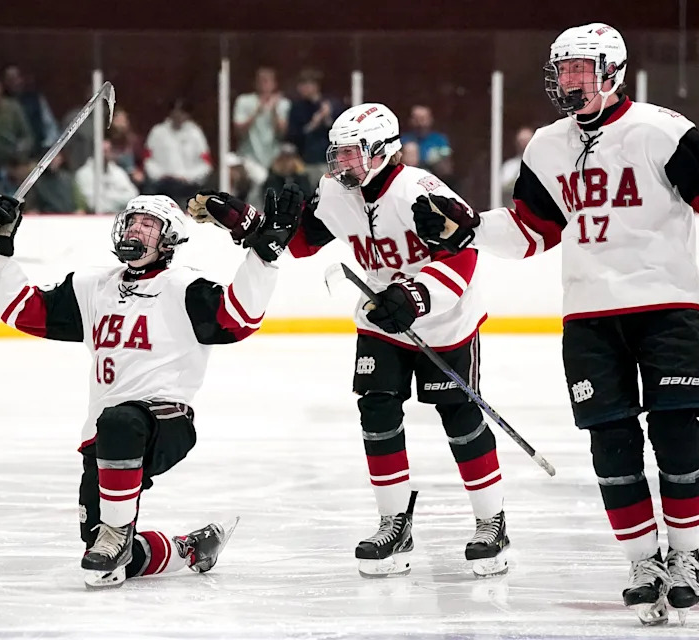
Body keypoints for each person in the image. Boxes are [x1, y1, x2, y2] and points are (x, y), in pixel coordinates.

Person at [411, 23, 699, 624]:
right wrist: (468, 228)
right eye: (562, 70)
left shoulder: (661, 129)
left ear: (612, 72)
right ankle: (641, 562)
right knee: (611, 444)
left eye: (580, 69)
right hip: (588, 317)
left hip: (665, 307)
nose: (568, 81)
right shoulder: (546, 147)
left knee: (677, 433)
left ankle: (684, 558)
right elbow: (533, 229)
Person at [207, 103, 512, 578]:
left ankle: (491, 522)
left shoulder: (420, 191)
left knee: (460, 417)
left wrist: (417, 294)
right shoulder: (334, 190)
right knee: (377, 410)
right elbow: (303, 243)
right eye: (339, 154)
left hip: (445, 321)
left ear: (384, 151)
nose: (342, 164)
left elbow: (462, 257)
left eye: (352, 154)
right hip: (378, 321)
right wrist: (253, 223)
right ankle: (395, 523)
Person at [0, 182, 303, 589]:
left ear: (169, 240)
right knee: (106, 565)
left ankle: (117, 535)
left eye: (149, 225)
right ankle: (189, 549)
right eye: (132, 222)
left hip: (165, 421)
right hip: (104, 432)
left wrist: (263, 257)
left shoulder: (184, 286)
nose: (136, 231)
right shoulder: (94, 285)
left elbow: (239, 319)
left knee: (119, 423)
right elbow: (22, 309)